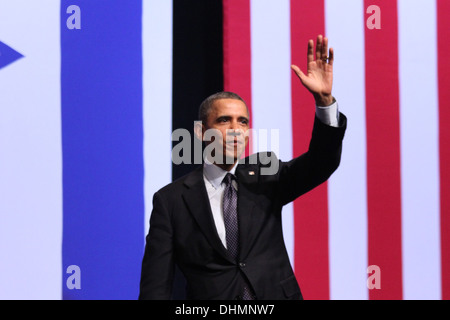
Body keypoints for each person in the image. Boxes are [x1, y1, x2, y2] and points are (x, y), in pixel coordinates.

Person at [139, 35, 347, 300]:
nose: (235, 129)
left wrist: (325, 102)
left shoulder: (266, 174)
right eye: (224, 120)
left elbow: (322, 162)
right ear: (201, 132)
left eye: (243, 122)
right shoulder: (170, 201)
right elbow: (155, 286)